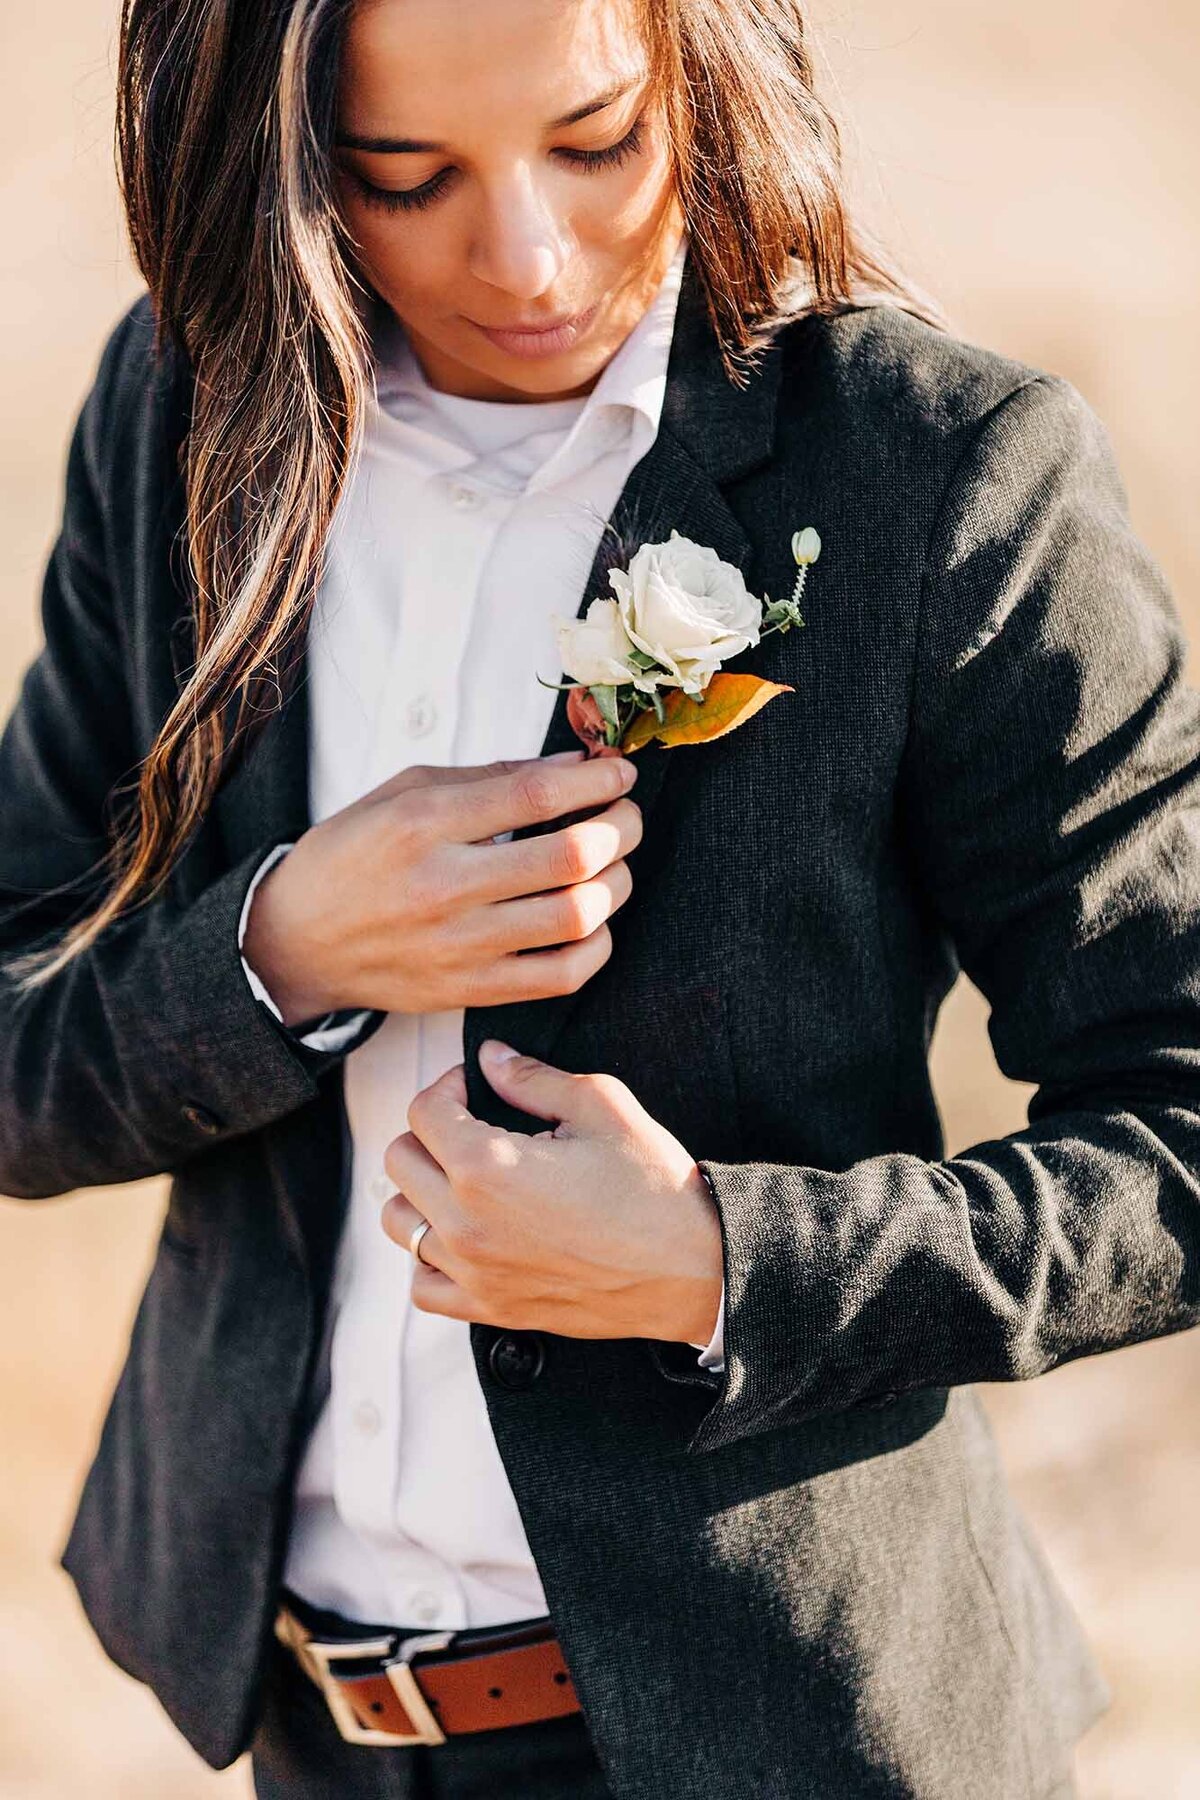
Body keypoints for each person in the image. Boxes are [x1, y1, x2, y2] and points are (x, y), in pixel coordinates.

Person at [2, 0, 1198, 1794]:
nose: (530, 261)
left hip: (791, 1738)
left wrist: (723, 1262)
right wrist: (277, 954)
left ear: (707, 72)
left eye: (596, 142)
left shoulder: (940, 469)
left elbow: (1177, 1133)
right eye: (403, 180)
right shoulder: (183, 417)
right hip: (315, 1732)